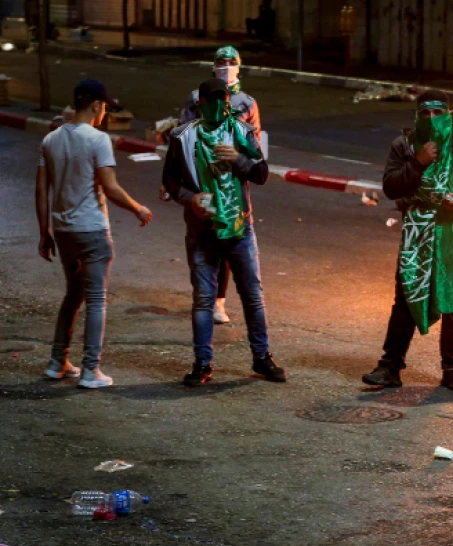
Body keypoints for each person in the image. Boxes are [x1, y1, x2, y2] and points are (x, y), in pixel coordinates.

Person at [362, 90, 453, 392]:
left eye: (437, 112)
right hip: (417, 231)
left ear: (448, 114)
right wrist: (419, 162)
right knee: (406, 298)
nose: (431, 118)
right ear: (417, 115)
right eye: (425, 113)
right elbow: (391, 186)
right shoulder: (405, 145)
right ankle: (390, 366)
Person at [163, 78, 286, 387]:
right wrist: (190, 199)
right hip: (202, 229)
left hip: (239, 227)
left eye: (225, 101)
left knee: (252, 296)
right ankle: (202, 364)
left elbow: (261, 174)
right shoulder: (182, 137)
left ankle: (262, 358)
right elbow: (170, 180)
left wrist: (238, 159)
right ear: (200, 104)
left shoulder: (241, 133)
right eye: (213, 101)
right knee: (204, 299)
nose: (220, 107)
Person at [36, 79, 153, 389]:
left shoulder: (50, 140)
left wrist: (43, 231)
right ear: (97, 106)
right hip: (92, 230)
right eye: (105, 108)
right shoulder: (98, 140)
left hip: (63, 231)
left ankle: (57, 361)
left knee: (73, 295)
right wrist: (138, 208)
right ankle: (91, 370)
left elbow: (40, 190)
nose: (105, 114)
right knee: (97, 300)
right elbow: (110, 187)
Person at [174, 45, 262, 325]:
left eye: (231, 62)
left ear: (239, 66)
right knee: (202, 240)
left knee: (229, 240)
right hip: (203, 185)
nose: (226, 66)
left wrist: (240, 161)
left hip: (233, 188)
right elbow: (182, 141)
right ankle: (204, 297)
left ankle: (218, 302)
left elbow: (257, 150)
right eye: (221, 62)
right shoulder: (194, 99)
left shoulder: (247, 104)